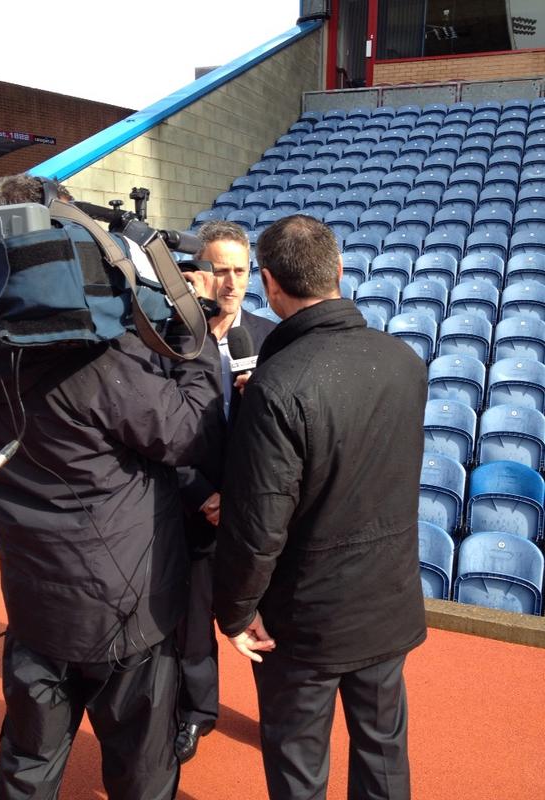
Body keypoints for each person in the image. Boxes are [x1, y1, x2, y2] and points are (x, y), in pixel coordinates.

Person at [0, 173, 223, 800]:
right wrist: (193, 331)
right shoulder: (96, 358)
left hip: (33, 602)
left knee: (28, 762)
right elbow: (190, 433)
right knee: (141, 772)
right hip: (123, 612)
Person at [214, 214, 428, 800]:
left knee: (299, 766)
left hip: (305, 622)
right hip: (387, 601)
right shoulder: (406, 362)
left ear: (268, 283)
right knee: (384, 754)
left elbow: (259, 526)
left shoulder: (278, 386)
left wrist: (235, 611)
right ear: (338, 270)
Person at [173, 220, 275, 763]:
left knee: (269, 622)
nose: (230, 282)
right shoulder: (171, 341)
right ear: (197, 274)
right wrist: (201, 493)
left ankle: (279, 718)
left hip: (258, 511)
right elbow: (154, 432)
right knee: (192, 625)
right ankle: (196, 713)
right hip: (196, 508)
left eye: (239, 270)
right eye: (219, 270)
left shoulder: (270, 336)